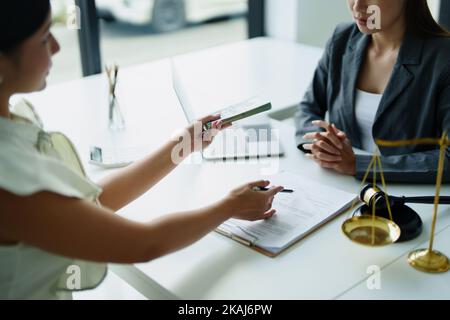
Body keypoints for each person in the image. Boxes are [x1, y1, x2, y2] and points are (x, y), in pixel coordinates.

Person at [0, 1, 284, 299]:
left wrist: (183, 143)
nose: (57, 47)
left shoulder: (12, 124)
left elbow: (92, 201)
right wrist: (229, 206)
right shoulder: (9, 176)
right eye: (45, 37)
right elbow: (143, 244)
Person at [295, 0, 450, 183]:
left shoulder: (443, 58)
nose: (357, 6)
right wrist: (323, 145)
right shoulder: (342, 38)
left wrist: (359, 165)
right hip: (341, 187)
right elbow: (308, 108)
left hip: (407, 198)